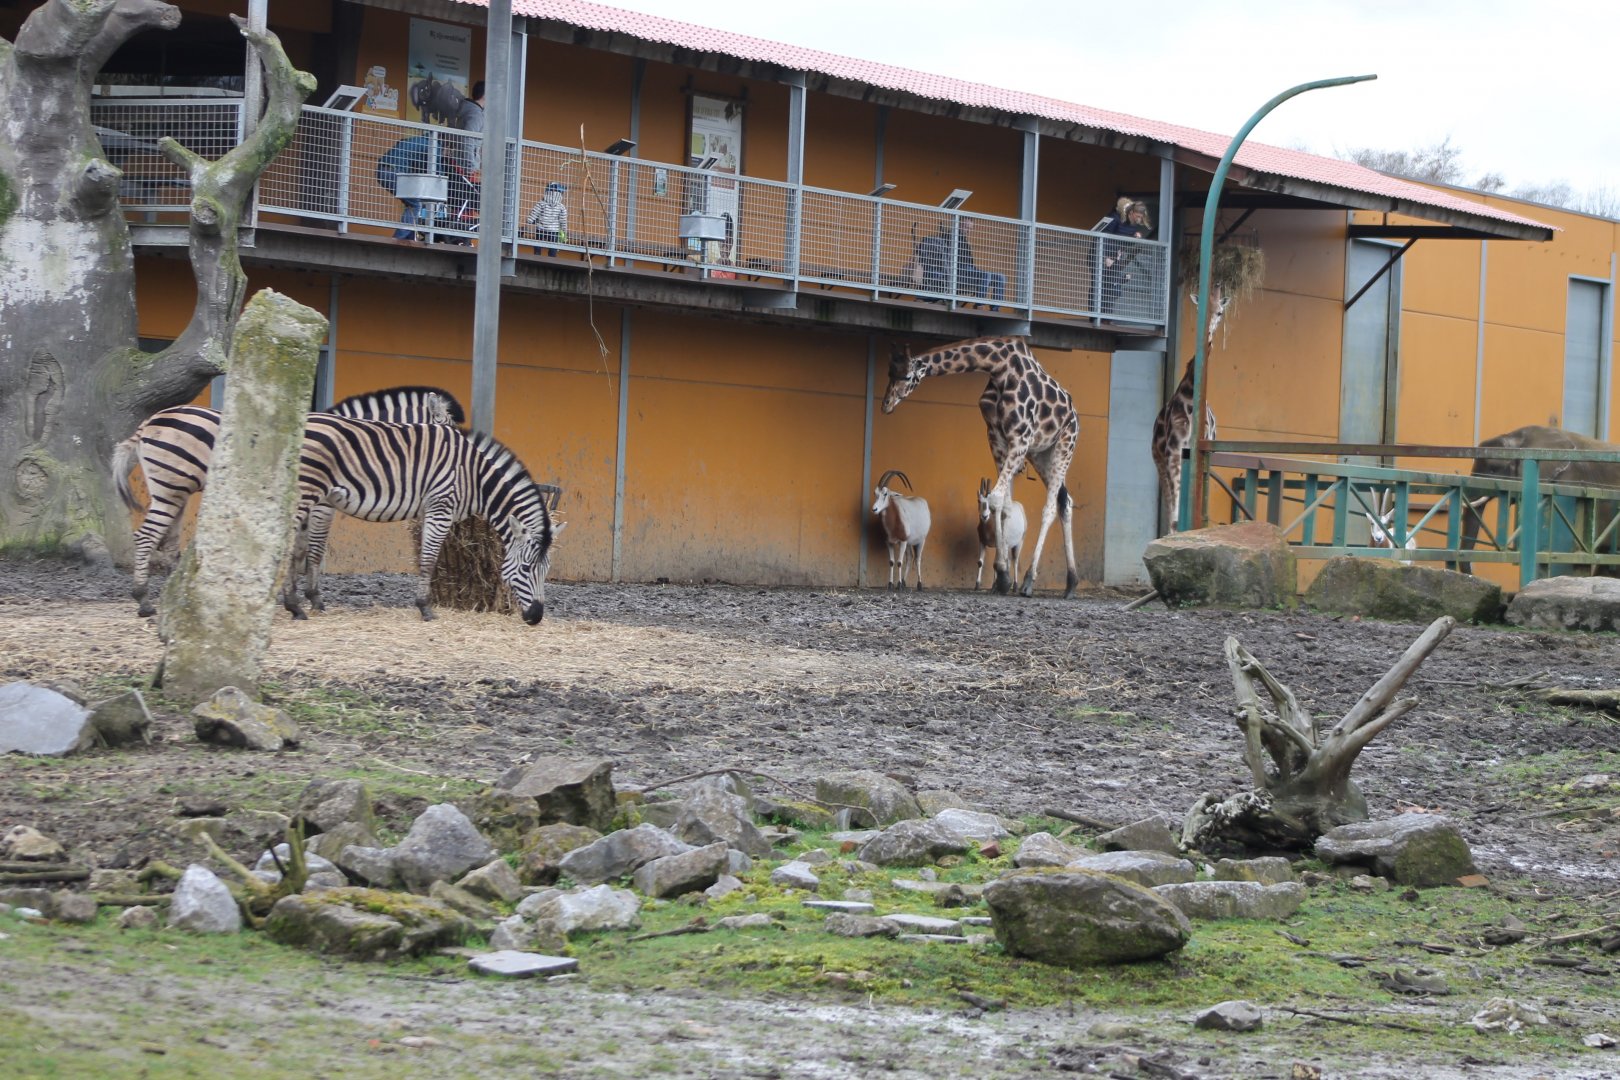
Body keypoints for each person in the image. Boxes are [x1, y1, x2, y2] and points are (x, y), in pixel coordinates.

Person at [375, 132, 435, 240]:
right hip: (393, 172)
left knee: (411, 203)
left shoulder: (417, 140)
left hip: (382, 169)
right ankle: (399, 238)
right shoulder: (434, 146)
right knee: (416, 204)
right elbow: (436, 174)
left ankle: (410, 236)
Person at [1100, 197, 1151, 314]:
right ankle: (1097, 316)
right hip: (1104, 255)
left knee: (1113, 288)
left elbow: (1124, 241)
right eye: (1137, 216)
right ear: (1131, 212)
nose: (1139, 219)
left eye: (1141, 217)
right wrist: (1106, 256)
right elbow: (1105, 236)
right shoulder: (1116, 218)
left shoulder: (1133, 225)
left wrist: (1134, 237)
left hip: (1116, 257)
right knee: (1100, 285)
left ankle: (1106, 316)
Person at [954, 217, 1006, 307]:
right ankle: (979, 305)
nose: (968, 231)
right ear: (958, 224)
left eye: (970, 229)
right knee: (985, 275)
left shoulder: (964, 240)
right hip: (958, 272)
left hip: (970, 270)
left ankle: (995, 308)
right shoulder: (951, 237)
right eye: (966, 227)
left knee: (1000, 277)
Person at [525, 181, 569, 254]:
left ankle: (537, 255)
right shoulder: (561, 207)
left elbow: (535, 212)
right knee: (553, 247)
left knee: (538, 245)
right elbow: (563, 220)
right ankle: (552, 257)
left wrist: (530, 220)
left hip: (541, 228)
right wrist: (564, 230)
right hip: (554, 230)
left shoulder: (541, 203)